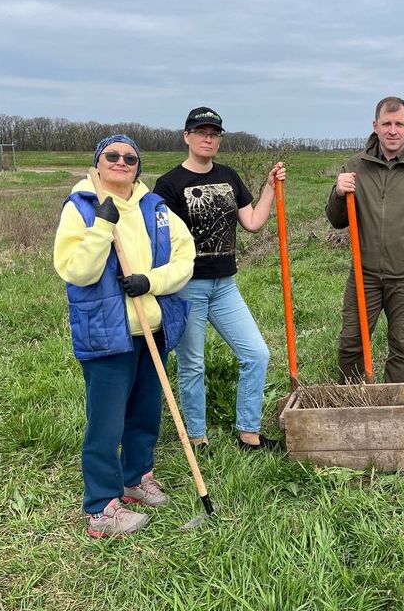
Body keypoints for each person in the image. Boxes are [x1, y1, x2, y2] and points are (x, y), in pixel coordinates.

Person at [54, 134, 195, 537]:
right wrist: (102, 225)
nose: (120, 162)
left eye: (129, 157)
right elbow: (76, 271)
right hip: (107, 332)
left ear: (138, 164)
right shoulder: (81, 208)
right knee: (106, 422)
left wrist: (149, 281)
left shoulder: (156, 207)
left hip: (152, 328)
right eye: (111, 155)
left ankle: (136, 478)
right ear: (97, 163)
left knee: (146, 412)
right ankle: (100, 508)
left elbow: (186, 259)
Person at [153, 106, 285, 452]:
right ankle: (197, 438)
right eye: (201, 132)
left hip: (225, 286)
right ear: (187, 136)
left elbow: (253, 221)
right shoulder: (169, 184)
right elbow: (161, 239)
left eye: (214, 133)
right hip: (187, 288)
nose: (208, 138)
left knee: (257, 353)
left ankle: (248, 433)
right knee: (192, 364)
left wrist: (269, 187)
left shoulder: (228, 175)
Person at [326, 96, 404, 383]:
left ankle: (395, 408)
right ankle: (354, 403)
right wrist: (338, 192)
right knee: (351, 343)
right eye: (386, 123)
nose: (392, 130)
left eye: (399, 124)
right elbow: (337, 220)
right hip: (365, 275)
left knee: (402, 347)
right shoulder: (354, 167)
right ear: (375, 126)